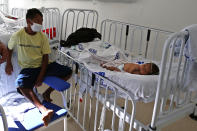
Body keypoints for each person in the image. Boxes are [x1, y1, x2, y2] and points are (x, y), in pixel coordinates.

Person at [5, 8, 72, 126]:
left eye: (41, 21)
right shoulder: (18, 35)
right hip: (29, 68)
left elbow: (46, 58)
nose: (40, 24)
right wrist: (9, 63)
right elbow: (9, 48)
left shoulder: (42, 36)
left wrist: (40, 76)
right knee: (20, 84)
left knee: (68, 72)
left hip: (44, 65)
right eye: (37, 21)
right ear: (28, 21)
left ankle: (47, 93)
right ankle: (43, 109)